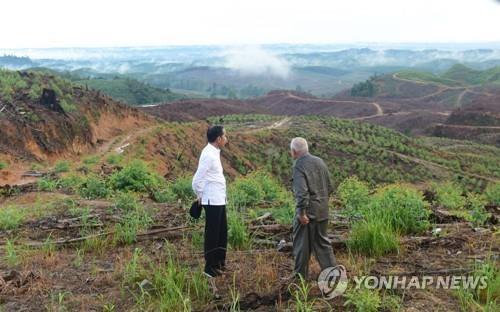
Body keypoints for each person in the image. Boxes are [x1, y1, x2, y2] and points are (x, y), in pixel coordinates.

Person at [290, 137, 337, 279]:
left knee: (301, 247)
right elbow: (330, 187)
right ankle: (334, 276)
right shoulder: (320, 161)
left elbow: (302, 192)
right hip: (322, 211)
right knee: (323, 244)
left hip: (308, 214)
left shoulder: (299, 165)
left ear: (294, 151)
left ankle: (299, 278)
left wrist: (301, 213)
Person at [192, 125, 228, 278]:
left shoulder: (214, 152)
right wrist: (200, 196)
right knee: (212, 234)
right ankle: (209, 268)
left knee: (221, 232)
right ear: (218, 139)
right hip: (211, 200)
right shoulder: (208, 154)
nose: (226, 139)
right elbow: (196, 180)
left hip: (219, 199)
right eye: (224, 136)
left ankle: (219, 263)